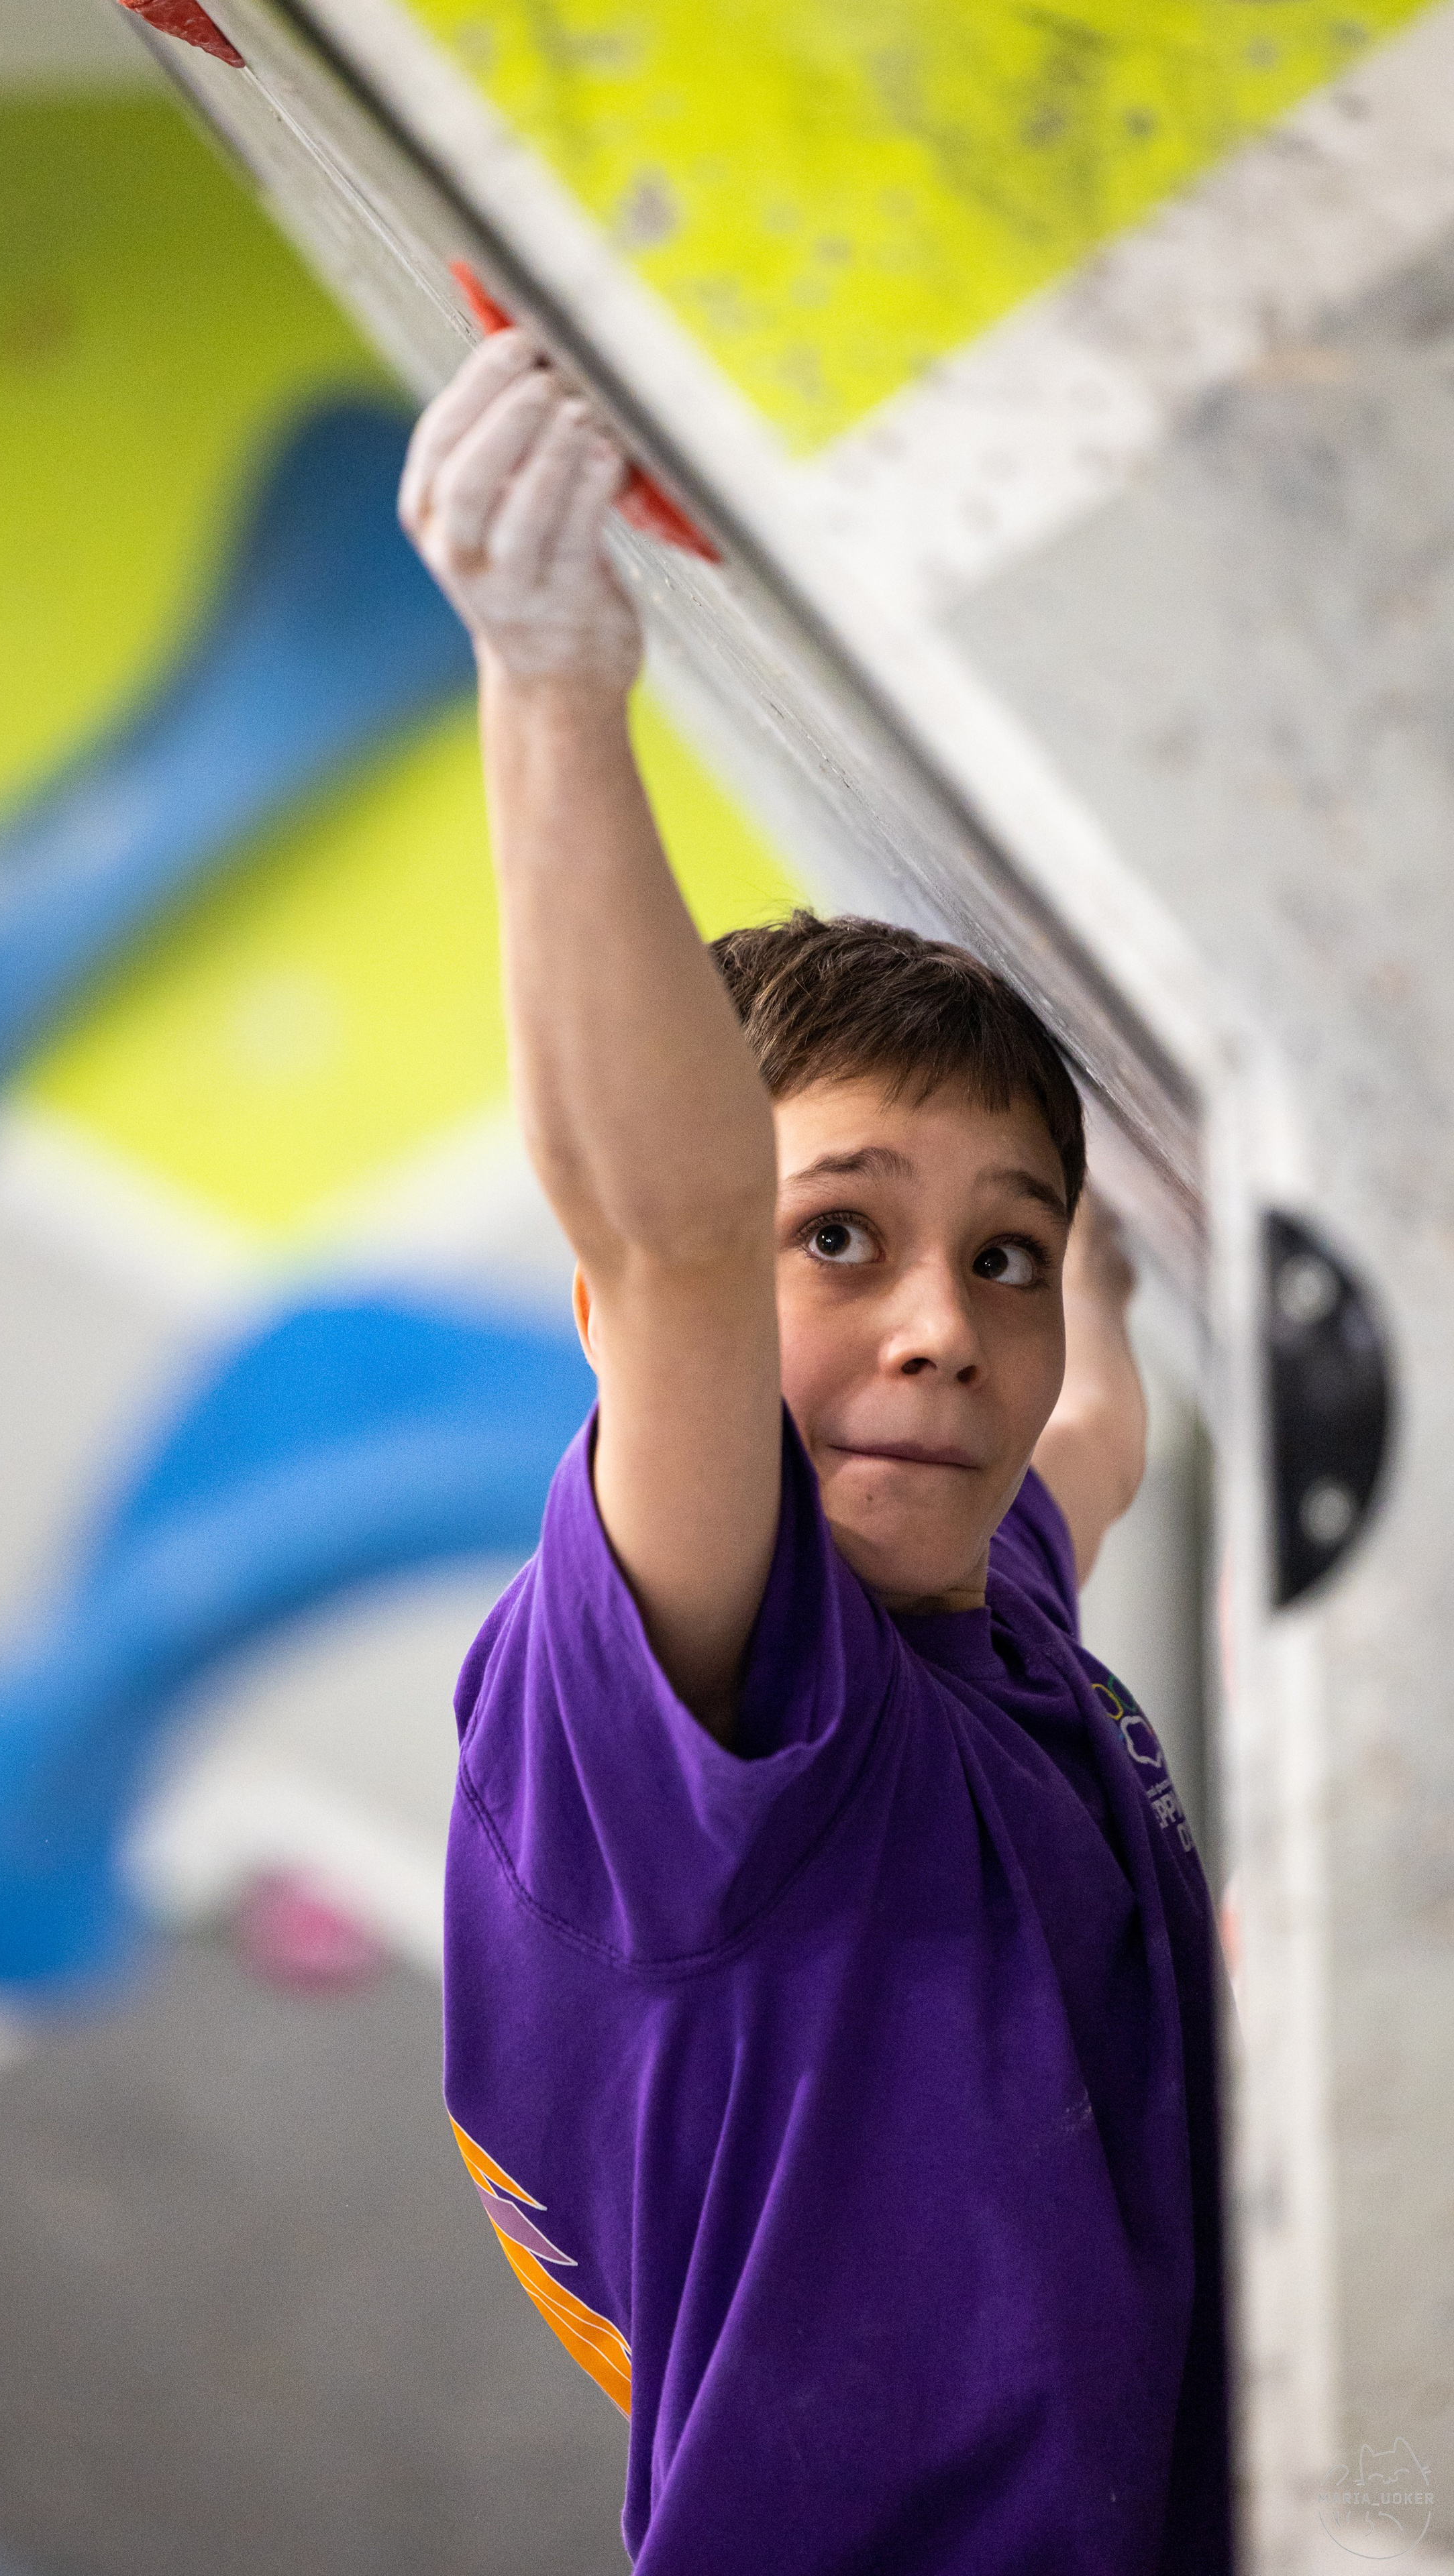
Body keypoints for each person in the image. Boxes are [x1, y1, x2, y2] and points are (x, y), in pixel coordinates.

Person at [399, 329, 1229, 2575]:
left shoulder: (981, 1610)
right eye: (840, 1237)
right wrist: (553, 682)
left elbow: (1099, 1419)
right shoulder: (710, 1711)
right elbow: (670, 1229)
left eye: (1005, 1256)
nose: (944, 1328)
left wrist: (1141, 1211)